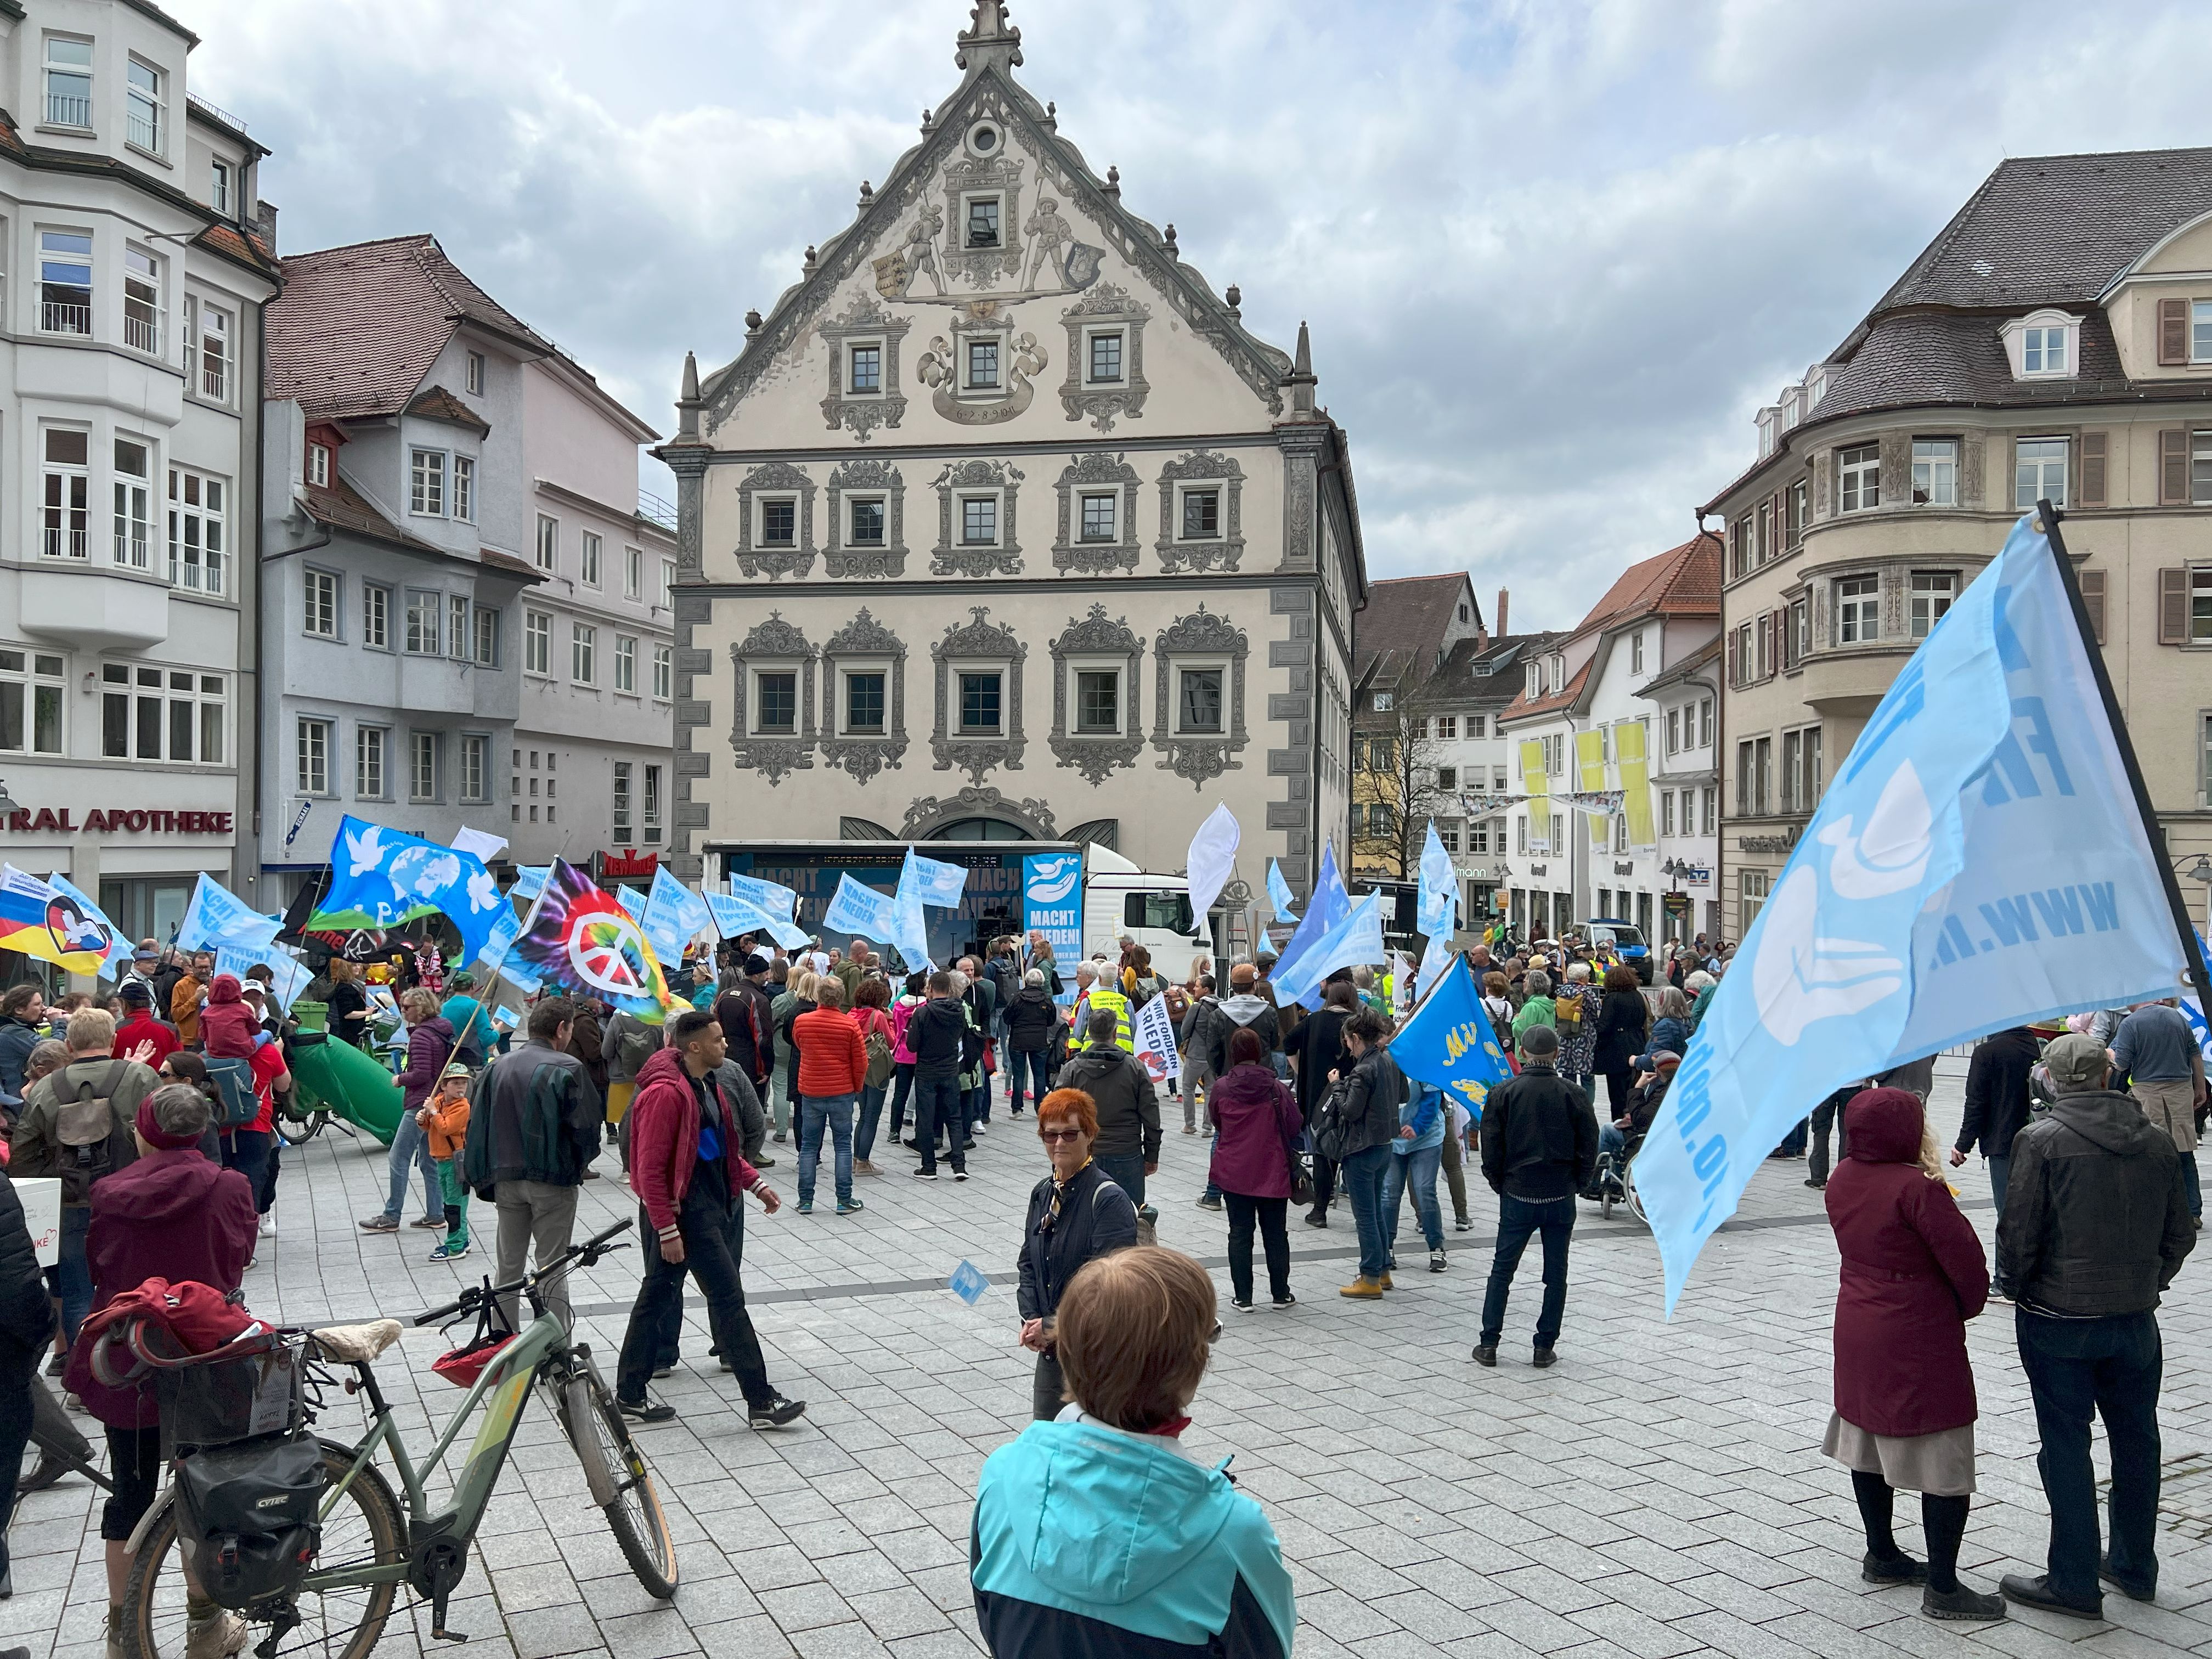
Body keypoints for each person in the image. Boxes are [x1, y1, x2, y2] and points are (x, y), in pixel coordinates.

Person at [974, 1246, 1294, 1659]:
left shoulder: (1001, 1476)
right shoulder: (1233, 1532)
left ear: (1067, 1352)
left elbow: (992, 1616)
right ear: (1190, 1366)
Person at [1995, 1032, 2194, 1620]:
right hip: (2134, 1320)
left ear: (2052, 1081)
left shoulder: (2042, 1140)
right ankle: (2134, 1564)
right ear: (2109, 1079)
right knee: (2137, 1442)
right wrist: (2149, 1281)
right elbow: (2181, 1232)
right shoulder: (2156, 1141)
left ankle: (2074, 1579)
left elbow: (2019, 1233)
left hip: (2060, 1319)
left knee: (2065, 1445)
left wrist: (2018, 1289)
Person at [66, 1081, 255, 1659]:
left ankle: (123, 1635)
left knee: (130, 1491)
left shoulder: (109, 1191)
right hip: (205, 1353)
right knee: (204, 1491)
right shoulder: (229, 1186)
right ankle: (205, 1627)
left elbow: (100, 1262)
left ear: (143, 1131)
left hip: (131, 1356)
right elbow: (237, 1256)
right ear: (199, 1131)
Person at [1822, 1087, 2002, 1621]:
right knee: (1943, 1450)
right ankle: (1944, 1587)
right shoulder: (1918, 1189)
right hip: (1915, 1329)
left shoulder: (1841, 1177)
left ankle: (1882, 1554)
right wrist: (1961, 1310)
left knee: (1867, 1438)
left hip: (1857, 1320)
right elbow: (1968, 1267)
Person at [616, 1009, 804, 1429]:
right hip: (683, 1215)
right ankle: (761, 1401)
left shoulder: (706, 1084)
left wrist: (755, 1185)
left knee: (657, 1298)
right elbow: (648, 1169)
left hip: (705, 1207)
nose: (726, 1045)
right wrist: (666, 1229)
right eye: (718, 1040)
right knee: (728, 1300)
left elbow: (719, 1148)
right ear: (694, 1047)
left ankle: (629, 1394)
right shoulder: (666, 1094)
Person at [8, 1009, 159, 1358]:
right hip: (130, 1200)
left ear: (69, 1043)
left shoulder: (46, 1087)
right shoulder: (140, 1076)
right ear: (113, 1040)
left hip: (69, 1203)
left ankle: (86, 1377)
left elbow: (24, 1154)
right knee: (134, 1287)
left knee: (77, 1292)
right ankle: (134, 1368)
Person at [460, 996, 602, 1332]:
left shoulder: (496, 1067)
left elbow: (476, 1124)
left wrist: (482, 1176)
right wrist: (575, 1168)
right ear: (561, 1029)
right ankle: (555, 1348)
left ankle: (504, 1342)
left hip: (505, 1179)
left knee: (508, 1266)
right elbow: (586, 1131)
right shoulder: (568, 1068)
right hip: (552, 1180)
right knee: (552, 1267)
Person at [1473, 1023, 1597, 1365]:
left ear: (1523, 1053)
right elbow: (1589, 1143)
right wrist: (1579, 1182)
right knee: (1556, 1273)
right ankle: (1544, 1346)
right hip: (1559, 1194)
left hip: (1518, 1193)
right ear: (1557, 1054)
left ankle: (1489, 1343)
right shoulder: (1573, 1093)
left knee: (1503, 1269)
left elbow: (1491, 1147)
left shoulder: (1503, 1092)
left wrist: (1500, 1182)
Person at [1014, 1087, 1139, 1420]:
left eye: (1070, 1134)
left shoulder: (1108, 1199)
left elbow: (1110, 1288)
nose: (1059, 1143)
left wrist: (1053, 1326)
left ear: (1089, 1136)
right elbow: (1030, 1262)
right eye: (1050, 1135)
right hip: (1054, 1354)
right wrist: (1031, 1320)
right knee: (1048, 1450)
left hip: (1096, 1358)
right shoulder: (1043, 1192)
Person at [1207, 1027, 1302, 1311]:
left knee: (1239, 1232)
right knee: (1276, 1233)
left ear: (1234, 1054)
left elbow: (1217, 1122)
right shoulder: (1276, 1089)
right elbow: (1295, 1124)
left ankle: (1243, 1297)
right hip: (1273, 1169)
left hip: (1234, 1171)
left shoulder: (1222, 1087)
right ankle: (1280, 1294)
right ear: (1259, 1053)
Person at [360, 988, 452, 1235]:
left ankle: (391, 1216)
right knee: (429, 1160)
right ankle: (436, 1213)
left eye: (407, 1007)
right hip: (435, 1100)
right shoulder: (440, 1029)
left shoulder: (422, 1035)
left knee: (398, 1157)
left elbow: (422, 1074)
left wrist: (401, 1078)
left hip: (420, 1103)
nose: (403, 1011)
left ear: (421, 1009)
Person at [1331, 1007, 1407, 1300]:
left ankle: (1370, 1277)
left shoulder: (1363, 1069)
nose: (1348, 1047)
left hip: (1362, 1147)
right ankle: (1383, 1269)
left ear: (1355, 1037)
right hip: (1384, 1145)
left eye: (1348, 1042)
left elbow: (1350, 1111)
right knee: (1375, 1212)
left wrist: (1338, 1086)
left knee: (1365, 1216)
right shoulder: (1389, 1061)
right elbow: (1404, 1096)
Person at [2109, 997, 2206, 1226]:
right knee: (2185, 1151)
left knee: (2152, 1150)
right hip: (2181, 1090)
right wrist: (2200, 1088)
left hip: (2149, 1093)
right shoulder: (2177, 1018)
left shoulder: (2131, 1023)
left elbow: (2121, 1064)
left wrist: (2107, 1053)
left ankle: (2160, 1209)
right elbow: (2195, 1054)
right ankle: (2193, 1211)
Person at [1949, 1026, 2039, 1255]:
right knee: (2037, 1210)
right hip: (2043, 1137)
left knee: (2008, 1213)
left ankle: (2005, 1278)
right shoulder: (2037, 1047)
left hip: (2004, 1142)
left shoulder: (1987, 1052)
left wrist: (1963, 1144)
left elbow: (1976, 1103)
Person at [792, 977, 867, 1216]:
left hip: (811, 1090)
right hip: (841, 1091)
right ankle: (844, 1199)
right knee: (843, 1145)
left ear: (818, 996)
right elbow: (860, 1062)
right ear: (842, 997)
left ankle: (805, 1200)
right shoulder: (850, 1025)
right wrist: (856, 1087)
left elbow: (799, 1044)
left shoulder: (802, 1022)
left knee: (809, 1146)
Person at [1293, 977, 1356, 1227]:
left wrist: (1300, 1072)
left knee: (1322, 1153)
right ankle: (1363, 1214)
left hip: (1319, 1099)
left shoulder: (1313, 1020)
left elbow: (1288, 1042)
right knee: (1352, 1153)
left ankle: (1320, 1211)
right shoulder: (1356, 1023)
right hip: (1353, 1096)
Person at [906, 970, 970, 1181]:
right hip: (950, 1068)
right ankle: (959, 1165)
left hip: (927, 1070)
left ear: (931, 988)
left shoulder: (923, 1013)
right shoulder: (959, 1010)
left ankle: (929, 1166)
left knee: (926, 1118)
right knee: (954, 1117)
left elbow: (913, 1045)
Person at [1383, 1075, 1448, 1276]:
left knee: (1425, 1191)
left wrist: (1418, 1127)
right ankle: (1386, 1247)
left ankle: (1436, 1247)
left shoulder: (1420, 1061)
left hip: (1426, 1137)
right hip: (1391, 1138)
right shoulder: (1381, 1059)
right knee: (1389, 1193)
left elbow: (1432, 1099)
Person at [420, 1060, 474, 1262]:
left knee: (454, 1205)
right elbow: (430, 1127)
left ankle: (454, 1247)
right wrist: (423, 1118)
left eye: (463, 1083)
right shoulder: (440, 1100)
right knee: (453, 1203)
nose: (461, 1087)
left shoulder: (462, 1107)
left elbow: (445, 1128)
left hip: (456, 1162)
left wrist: (433, 1113)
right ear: (444, 1085)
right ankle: (463, 1240)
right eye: (456, 1083)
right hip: (442, 1160)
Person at [850, 978, 896, 1176]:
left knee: (862, 1114)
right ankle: (863, 1162)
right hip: (876, 1068)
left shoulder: (851, 1013)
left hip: (858, 1068)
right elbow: (892, 1042)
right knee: (872, 1116)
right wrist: (891, 1020)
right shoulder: (878, 1016)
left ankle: (856, 1159)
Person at [1592, 965, 1649, 1120]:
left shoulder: (1612, 998)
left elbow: (1605, 1026)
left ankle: (1618, 1122)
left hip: (1616, 1050)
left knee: (1617, 1094)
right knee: (1633, 1089)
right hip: (1637, 1044)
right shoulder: (1638, 996)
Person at [1001, 968, 1057, 1119]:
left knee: (1018, 1075)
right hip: (1039, 1042)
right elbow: (1051, 1020)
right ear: (1042, 983)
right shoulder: (1046, 999)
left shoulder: (1018, 999)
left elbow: (1007, 1017)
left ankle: (1017, 1110)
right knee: (1039, 1076)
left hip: (1018, 1040)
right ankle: (1040, 1110)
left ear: (1026, 981)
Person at [1550, 963, 1599, 1098]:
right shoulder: (1587, 993)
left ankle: (1570, 1104)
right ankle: (1587, 1106)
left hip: (1565, 1035)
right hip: (1584, 1037)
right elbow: (1596, 1013)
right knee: (1587, 1077)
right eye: (1588, 975)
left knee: (1568, 1075)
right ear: (1582, 977)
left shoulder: (1561, 992)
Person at [110, 983, 179, 1074]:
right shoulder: (171, 1029)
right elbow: (179, 1063)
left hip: (126, 1084)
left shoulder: (115, 1030)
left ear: (124, 1004)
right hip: (162, 1085)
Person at [442, 972, 496, 1070]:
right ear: (473, 986)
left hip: (449, 1059)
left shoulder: (444, 1007)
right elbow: (487, 1039)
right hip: (474, 1060)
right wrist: (497, 1031)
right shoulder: (477, 1007)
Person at [0, 987, 43, 1108]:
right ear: (19, 1010)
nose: (44, 1008)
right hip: (17, 1102)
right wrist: (59, 1023)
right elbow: (53, 1051)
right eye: (37, 1004)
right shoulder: (12, 1033)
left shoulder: (18, 1029)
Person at [168, 951, 213, 1049]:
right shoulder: (182, 986)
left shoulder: (215, 984)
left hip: (211, 1040)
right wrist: (196, 999)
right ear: (192, 968)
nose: (204, 971)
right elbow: (176, 1015)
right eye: (200, 968)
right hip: (190, 1043)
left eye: (206, 967)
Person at [326, 957, 373, 1049]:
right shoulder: (345, 988)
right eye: (354, 965)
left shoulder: (352, 986)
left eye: (359, 965)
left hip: (353, 1033)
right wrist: (367, 1013)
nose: (358, 967)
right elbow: (348, 1014)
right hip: (348, 1035)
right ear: (346, 968)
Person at [1511, 970, 1556, 1042]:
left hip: (1531, 1049)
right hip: (1546, 1046)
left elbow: (1520, 1031)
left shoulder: (1531, 1007)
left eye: (1525, 981)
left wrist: (1516, 1019)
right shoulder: (1548, 1003)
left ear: (1531, 984)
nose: (1523, 984)